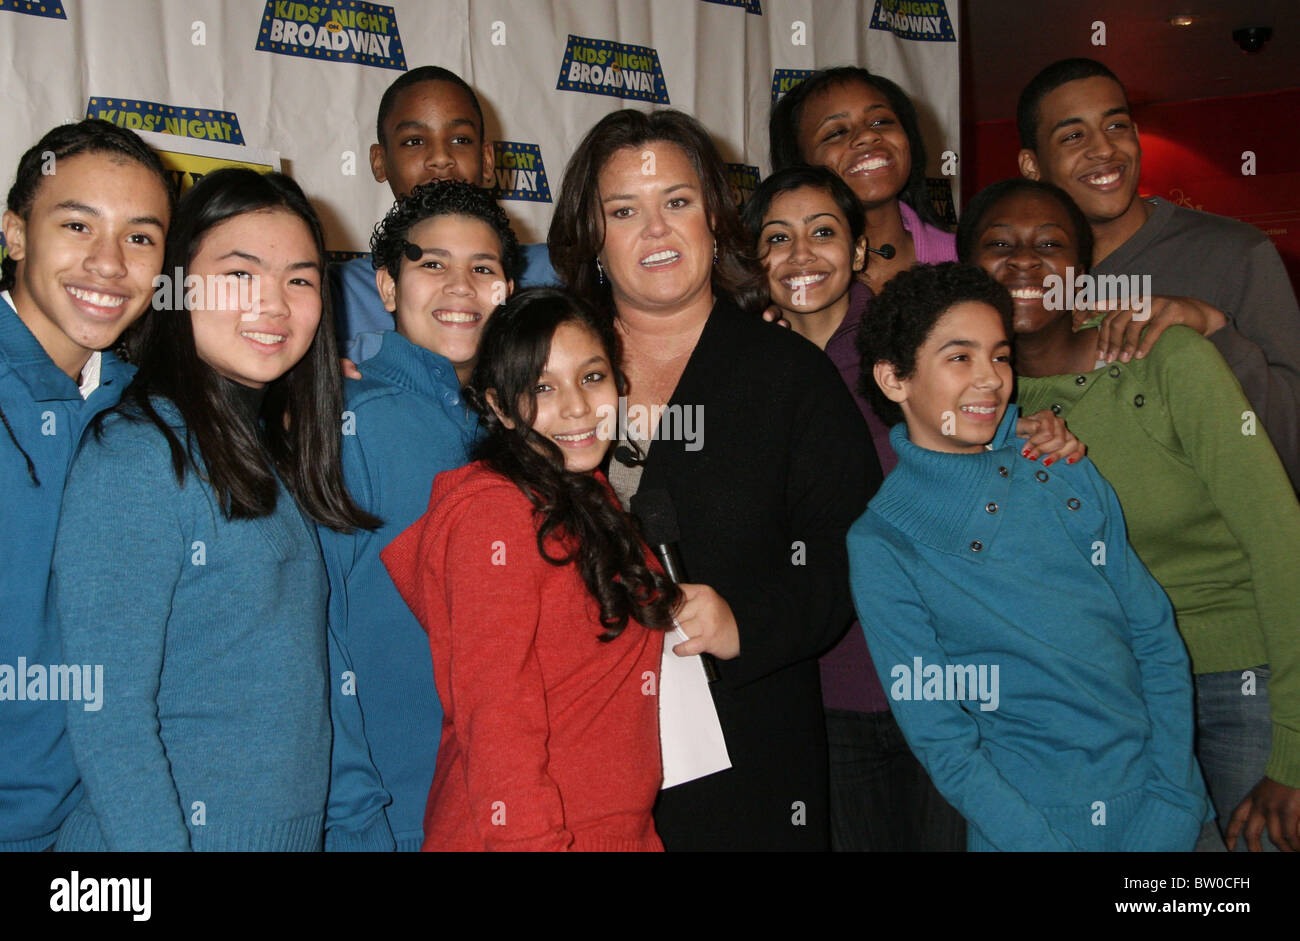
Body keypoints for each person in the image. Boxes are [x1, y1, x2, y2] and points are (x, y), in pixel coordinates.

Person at [549, 108, 879, 851]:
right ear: (593, 236)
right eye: (625, 210)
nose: (657, 230)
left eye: (678, 201)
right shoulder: (546, 367)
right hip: (578, 742)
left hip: (744, 754)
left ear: (713, 218)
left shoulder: (790, 375)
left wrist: (744, 623)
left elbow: (848, 553)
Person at [742, 165, 1080, 852]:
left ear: (861, 250)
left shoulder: (908, 342)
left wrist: (1033, 430)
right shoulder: (748, 367)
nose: (802, 253)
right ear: (756, 260)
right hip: (827, 692)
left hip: (952, 679)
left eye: (825, 232)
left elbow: (979, 419)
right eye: (779, 237)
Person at [960, 177, 1300, 852]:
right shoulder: (972, 405)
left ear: (1081, 276)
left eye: (1050, 244)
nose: (1024, 262)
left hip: (1237, 686)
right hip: (1101, 703)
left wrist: (1293, 748)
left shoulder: (1168, 359)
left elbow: (1281, 540)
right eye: (998, 244)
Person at [52, 168, 378, 851]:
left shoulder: (270, 453)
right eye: (240, 273)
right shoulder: (138, 456)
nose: (274, 304)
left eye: (299, 278)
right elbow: (107, 715)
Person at [849, 261, 1211, 851]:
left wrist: (1176, 797)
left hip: (1168, 810)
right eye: (959, 357)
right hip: (1029, 831)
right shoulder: (882, 545)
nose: (990, 379)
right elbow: (944, 742)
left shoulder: (1056, 463)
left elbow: (1154, 635)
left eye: (1000, 355)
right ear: (895, 380)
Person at [381, 287, 675, 851]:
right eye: (542, 387)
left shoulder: (588, 495)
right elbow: (497, 722)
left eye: (592, 377)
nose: (577, 407)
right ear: (497, 406)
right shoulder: (495, 513)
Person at [321, 180, 521, 852]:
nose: (459, 286)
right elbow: (313, 635)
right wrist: (356, 817)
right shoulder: (352, 421)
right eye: (432, 264)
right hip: (390, 815)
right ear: (385, 286)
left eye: (483, 268)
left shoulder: (515, 432)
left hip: (491, 803)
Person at [0, 119, 171, 852]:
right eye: (77, 225)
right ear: (15, 234)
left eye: (140, 237)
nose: (109, 263)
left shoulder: (155, 409)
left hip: (103, 831)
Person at [1016, 57, 1300, 490]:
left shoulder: (1236, 253)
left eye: (1117, 126)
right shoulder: (1021, 284)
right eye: (1074, 136)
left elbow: (1291, 445)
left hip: (1214, 547)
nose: (1104, 149)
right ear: (1032, 166)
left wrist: (1214, 329)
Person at [333, 65, 557, 361]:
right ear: (380, 161)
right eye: (414, 141)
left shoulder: (554, 271)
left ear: (488, 160)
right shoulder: (336, 294)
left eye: (460, 139)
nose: (440, 158)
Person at [769, 66, 956, 293]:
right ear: (798, 164)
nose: (867, 135)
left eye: (880, 122)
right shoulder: (775, 281)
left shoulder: (965, 259)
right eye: (836, 132)